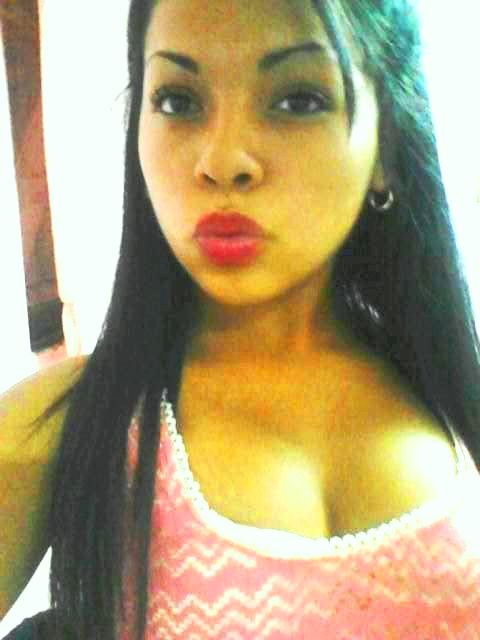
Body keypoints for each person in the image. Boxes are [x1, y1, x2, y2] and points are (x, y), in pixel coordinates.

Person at [1, 0, 480, 638]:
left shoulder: (455, 396)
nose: (223, 160)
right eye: (177, 101)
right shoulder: (66, 428)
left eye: (298, 100)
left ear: (387, 147)